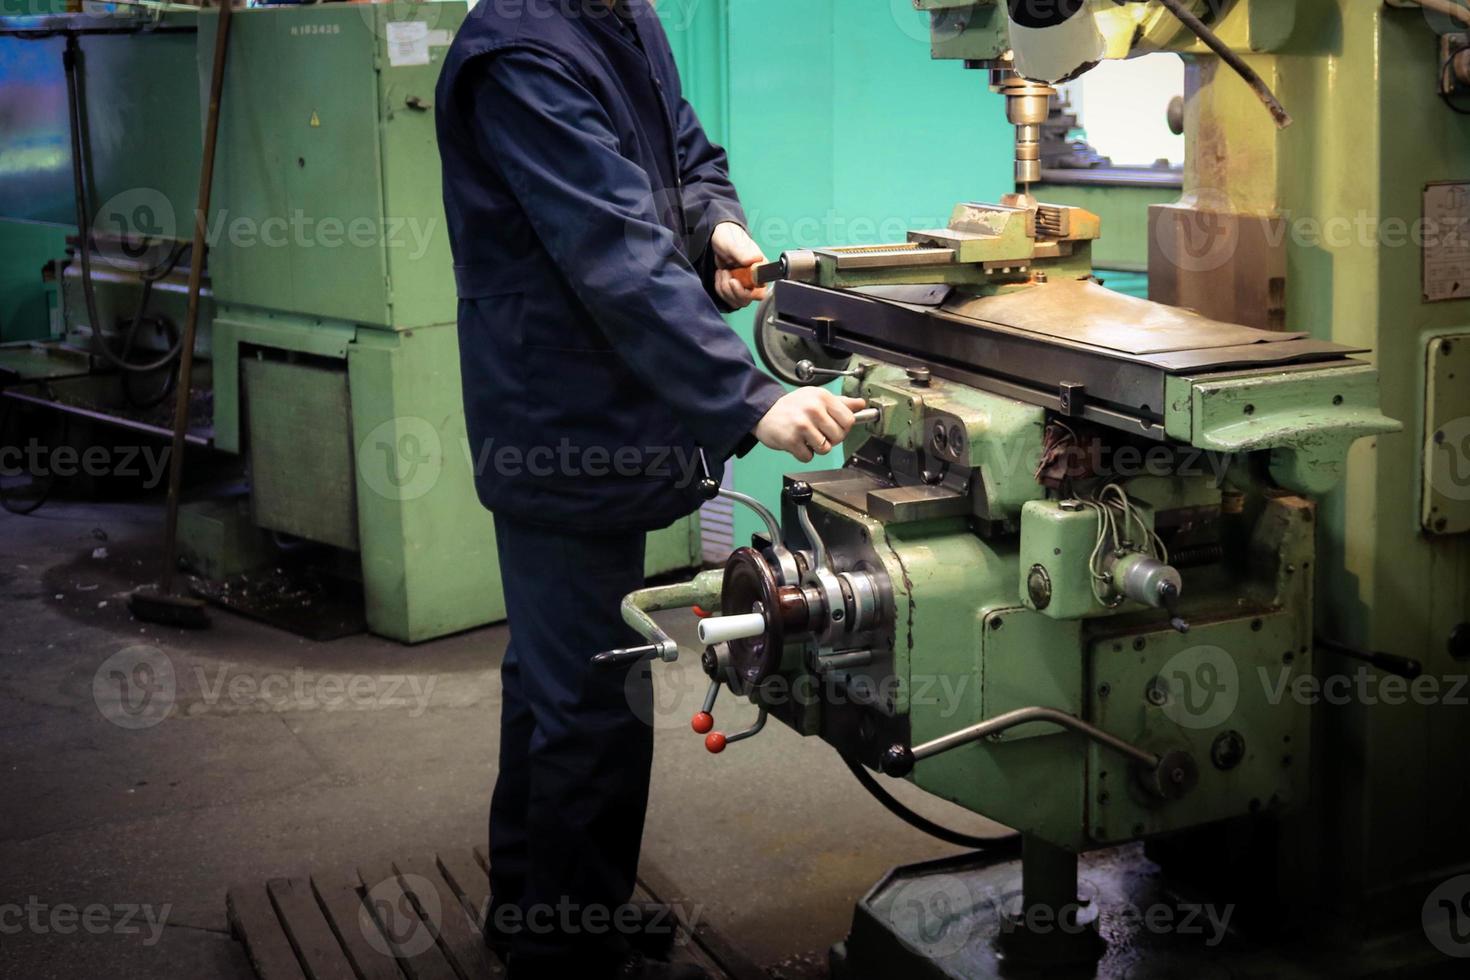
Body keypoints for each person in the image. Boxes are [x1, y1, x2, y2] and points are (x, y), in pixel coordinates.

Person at [435, 2, 864, 977]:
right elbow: (611, 244)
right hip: (558, 418)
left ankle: (545, 908)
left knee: (555, 677)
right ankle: (565, 951)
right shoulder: (518, 54)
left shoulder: (620, 17)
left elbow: (680, 144)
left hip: (613, 406)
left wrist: (716, 222)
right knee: (590, 699)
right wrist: (748, 397)